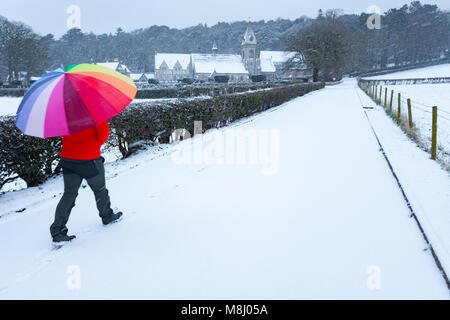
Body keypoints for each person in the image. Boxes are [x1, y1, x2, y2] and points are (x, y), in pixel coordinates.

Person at [50, 121, 122, 243]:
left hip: (68, 159)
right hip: (89, 160)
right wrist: (93, 145)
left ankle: (57, 231)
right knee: (100, 190)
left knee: (69, 194)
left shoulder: (66, 113)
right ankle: (107, 216)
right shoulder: (95, 113)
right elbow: (103, 136)